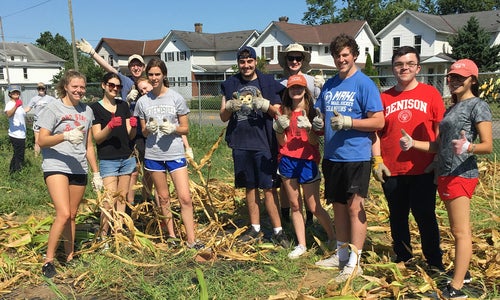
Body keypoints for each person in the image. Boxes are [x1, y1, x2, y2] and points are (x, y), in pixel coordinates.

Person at [399, 59, 492, 299]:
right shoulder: (452, 107)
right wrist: (413, 143)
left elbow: (488, 145)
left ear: (473, 79)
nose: (454, 81)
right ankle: (466, 272)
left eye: (460, 77)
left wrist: (469, 147)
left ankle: (457, 287)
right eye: (451, 77)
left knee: (461, 232)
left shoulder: (477, 106)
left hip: (461, 174)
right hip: (446, 173)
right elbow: (438, 145)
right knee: (456, 230)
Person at [314, 34, 384, 282]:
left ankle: (355, 262)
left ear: (354, 55)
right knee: (339, 207)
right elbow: (321, 119)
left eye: (345, 54)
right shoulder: (330, 85)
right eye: (337, 56)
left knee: (355, 208)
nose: (341, 59)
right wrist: (316, 123)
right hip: (333, 156)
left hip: (356, 156)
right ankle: (341, 255)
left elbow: (379, 121)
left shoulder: (364, 84)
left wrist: (350, 122)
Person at [371, 46, 445, 271]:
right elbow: (375, 132)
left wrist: (437, 159)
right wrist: (377, 161)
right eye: (399, 64)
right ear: (393, 68)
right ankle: (404, 258)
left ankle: (434, 262)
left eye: (409, 64)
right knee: (398, 216)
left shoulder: (430, 94)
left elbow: (440, 130)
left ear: (418, 68)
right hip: (393, 169)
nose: (404, 68)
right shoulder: (384, 97)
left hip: (423, 168)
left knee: (425, 215)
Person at [219, 46, 289, 247]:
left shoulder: (267, 82)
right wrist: (230, 107)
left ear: (255, 62)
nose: (246, 65)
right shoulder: (231, 83)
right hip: (241, 142)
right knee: (249, 187)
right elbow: (223, 116)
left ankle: (278, 230)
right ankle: (255, 228)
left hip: (264, 142)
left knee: (269, 188)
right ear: (238, 63)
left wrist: (266, 105)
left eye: (250, 61)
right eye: (242, 62)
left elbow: (279, 112)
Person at [36, 70, 102, 278]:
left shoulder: (87, 111)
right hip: (56, 164)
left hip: (78, 166)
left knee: (73, 215)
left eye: (82, 87)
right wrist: (64, 136)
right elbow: (42, 140)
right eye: (75, 86)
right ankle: (48, 260)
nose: (79, 91)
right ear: (65, 86)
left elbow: (88, 145)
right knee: (63, 213)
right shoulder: (53, 108)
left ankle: (70, 255)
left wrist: (96, 172)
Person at [133, 58, 203, 249]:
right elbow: (143, 132)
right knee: (163, 198)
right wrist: (149, 127)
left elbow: (185, 128)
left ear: (164, 75)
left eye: (157, 74)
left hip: (174, 153)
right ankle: (171, 235)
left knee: (185, 197)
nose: (154, 78)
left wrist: (172, 128)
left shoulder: (176, 98)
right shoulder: (142, 102)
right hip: (154, 154)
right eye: (151, 75)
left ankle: (191, 239)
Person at [274, 74, 335, 259]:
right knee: (294, 204)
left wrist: (309, 129)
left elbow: (315, 141)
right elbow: (282, 142)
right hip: (287, 161)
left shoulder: (312, 111)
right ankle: (302, 244)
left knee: (314, 205)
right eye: (293, 88)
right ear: (288, 91)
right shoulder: (283, 111)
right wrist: (278, 129)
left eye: (299, 87)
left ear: (305, 90)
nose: (296, 90)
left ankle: (334, 237)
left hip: (307, 160)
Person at [90, 73, 137, 242]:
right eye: (111, 85)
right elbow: (97, 137)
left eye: (118, 86)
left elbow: (130, 136)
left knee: (122, 199)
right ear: (103, 85)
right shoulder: (95, 108)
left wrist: (133, 127)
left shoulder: (123, 105)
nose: (115, 88)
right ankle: (103, 236)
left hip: (126, 157)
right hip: (108, 160)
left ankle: (118, 233)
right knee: (108, 201)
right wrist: (109, 126)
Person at [277, 43, 320, 225]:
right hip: (288, 140)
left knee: (307, 180)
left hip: (308, 141)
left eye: (298, 58)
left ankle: (310, 217)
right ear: (286, 61)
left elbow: (319, 108)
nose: (294, 61)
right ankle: (288, 217)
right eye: (291, 58)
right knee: (287, 183)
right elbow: (279, 109)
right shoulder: (280, 84)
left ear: (303, 61)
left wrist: (322, 88)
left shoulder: (311, 82)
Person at [25, 82, 57, 156]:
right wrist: (19, 112)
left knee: (48, 140)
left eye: (42, 88)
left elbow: (57, 106)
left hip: (47, 122)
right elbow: (28, 108)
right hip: (37, 122)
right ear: (37, 89)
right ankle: (36, 157)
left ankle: (49, 155)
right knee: (37, 141)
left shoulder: (50, 99)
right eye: (39, 88)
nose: (41, 90)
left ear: (45, 89)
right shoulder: (34, 99)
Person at [4, 85, 27, 174]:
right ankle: (17, 173)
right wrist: (16, 106)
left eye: (17, 92)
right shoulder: (10, 104)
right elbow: (9, 114)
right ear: (10, 94)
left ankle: (12, 171)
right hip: (16, 134)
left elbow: (23, 112)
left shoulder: (19, 104)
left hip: (22, 134)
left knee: (17, 154)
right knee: (19, 155)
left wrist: (33, 105)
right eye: (13, 92)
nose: (16, 93)